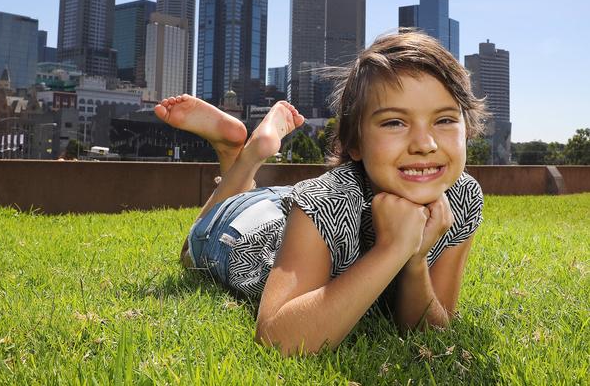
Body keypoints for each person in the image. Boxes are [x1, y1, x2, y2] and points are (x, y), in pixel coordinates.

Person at [154, 30, 487, 356]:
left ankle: (239, 152)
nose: (425, 144)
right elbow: (277, 339)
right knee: (194, 246)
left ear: (467, 130)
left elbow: (433, 329)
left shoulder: (462, 197)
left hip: (290, 205)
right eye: (394, 123)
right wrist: (391, 249)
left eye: (444, 120)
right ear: (354, 143)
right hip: (254, 229)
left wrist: (414, 260)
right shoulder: (328, 202)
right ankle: (244, 154)